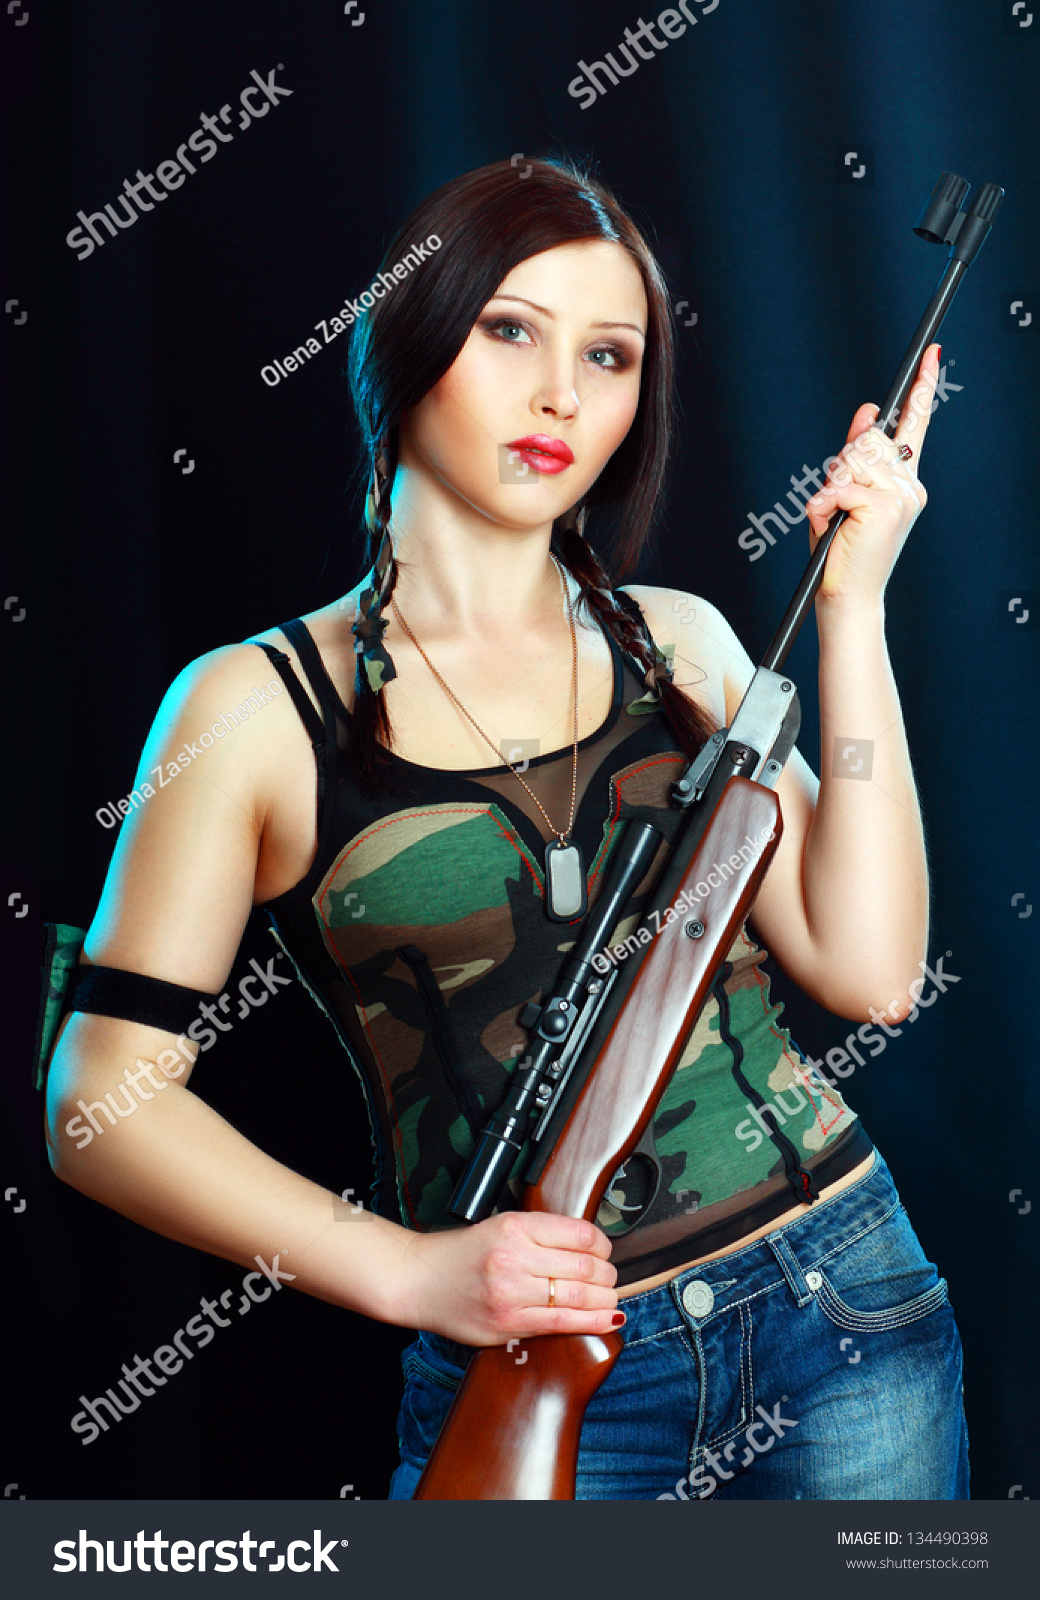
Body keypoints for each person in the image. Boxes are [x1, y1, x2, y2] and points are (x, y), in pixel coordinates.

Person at [43, 156, 968, 1500]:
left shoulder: (686, 645)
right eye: (511, 331)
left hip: (846, 1312)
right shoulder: (249, 708)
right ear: (412, 337)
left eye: (611, 356)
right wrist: (407, 1270)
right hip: (529, 1364)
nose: (561, 397)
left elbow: (872, 971)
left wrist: (855, 614)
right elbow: (96, 1104)